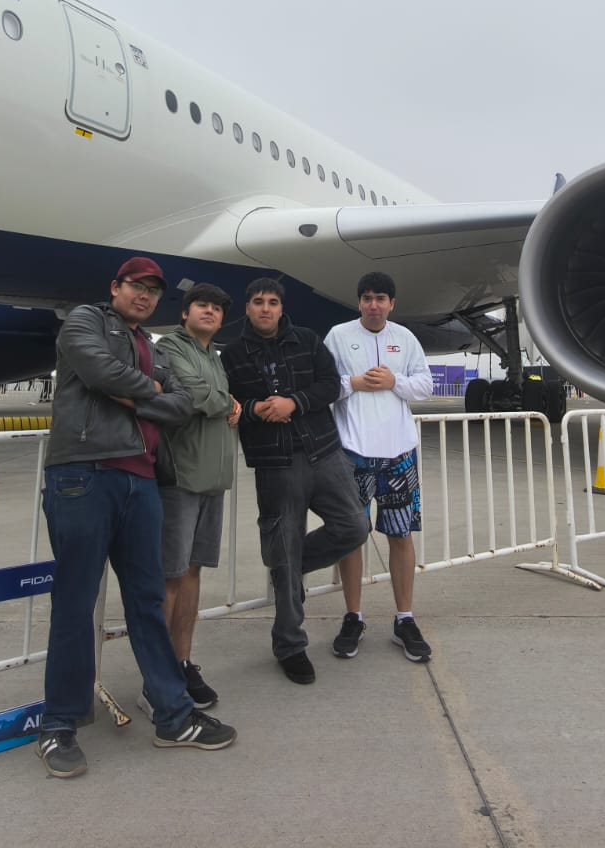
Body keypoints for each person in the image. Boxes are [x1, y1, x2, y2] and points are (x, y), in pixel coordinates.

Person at [35, 256, 236, 779]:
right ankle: (59, 723)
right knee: (76, 601)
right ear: (115, 288)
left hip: (142, 481)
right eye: (136, 287)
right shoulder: (85, 321)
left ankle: (172, 715)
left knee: (148, 600)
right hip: (83, 475)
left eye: (153, 291)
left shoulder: (150, 344)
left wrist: (131, 394)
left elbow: (184, 405)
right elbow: (98, 370)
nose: (144, 297)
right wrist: (150, 393)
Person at [220, 277, 370, 684]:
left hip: (323, 452)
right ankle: (290, 644)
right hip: (275, 463)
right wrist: (257, 409)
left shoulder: (306, 340)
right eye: (257, 302)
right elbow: (229, 405)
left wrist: (294, 402)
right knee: (283, 549)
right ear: (247, 308)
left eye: (272, 302)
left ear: (281, 308)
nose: (265, 308)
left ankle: (289, 566)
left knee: (355, 526)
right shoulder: (231, 355)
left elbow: (329, 385)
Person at [324, 272, 436, 664]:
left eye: (381, 299)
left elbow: (426, 386)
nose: (374, 304)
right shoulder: (338, 335)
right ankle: (353, 615)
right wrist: (354, 382)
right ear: (358, 303)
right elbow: (323, 385)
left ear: (392, 304)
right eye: (367, 298)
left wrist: (394, 381)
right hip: (352, 453)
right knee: (352, 536)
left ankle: (404, 618)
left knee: (401, 535)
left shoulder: (405, 339)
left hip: (399, 454)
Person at [153, 282, 241, 710]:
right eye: (201, 305)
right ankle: (157, 677)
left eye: (217, 308)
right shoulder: (170, 346)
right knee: (169, 577)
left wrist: (226, 401)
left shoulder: (213, 356)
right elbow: (192, 395)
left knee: (192, 574)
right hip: (181, 478)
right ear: (185, 313)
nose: (210, 312)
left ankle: (182, 661)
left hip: (212, 479)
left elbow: (215, 399)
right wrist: (228, 401)